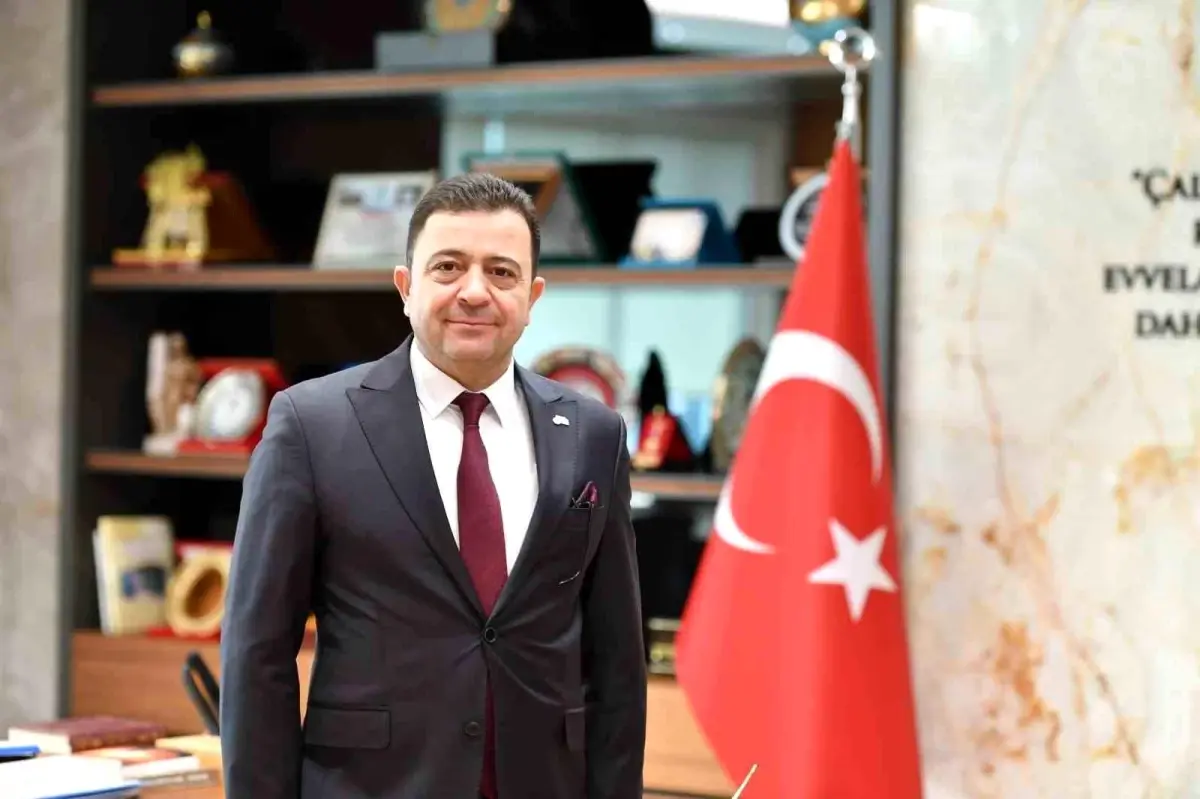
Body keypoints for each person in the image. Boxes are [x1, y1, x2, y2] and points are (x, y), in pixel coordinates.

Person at [219, 173, 647, 799]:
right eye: (448, 267)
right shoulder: (312, 424)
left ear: (532, 296)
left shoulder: (594, 434)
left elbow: (617, 665)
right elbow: (257, 653)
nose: (474, 291)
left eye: (501, 272)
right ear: (405, 286)